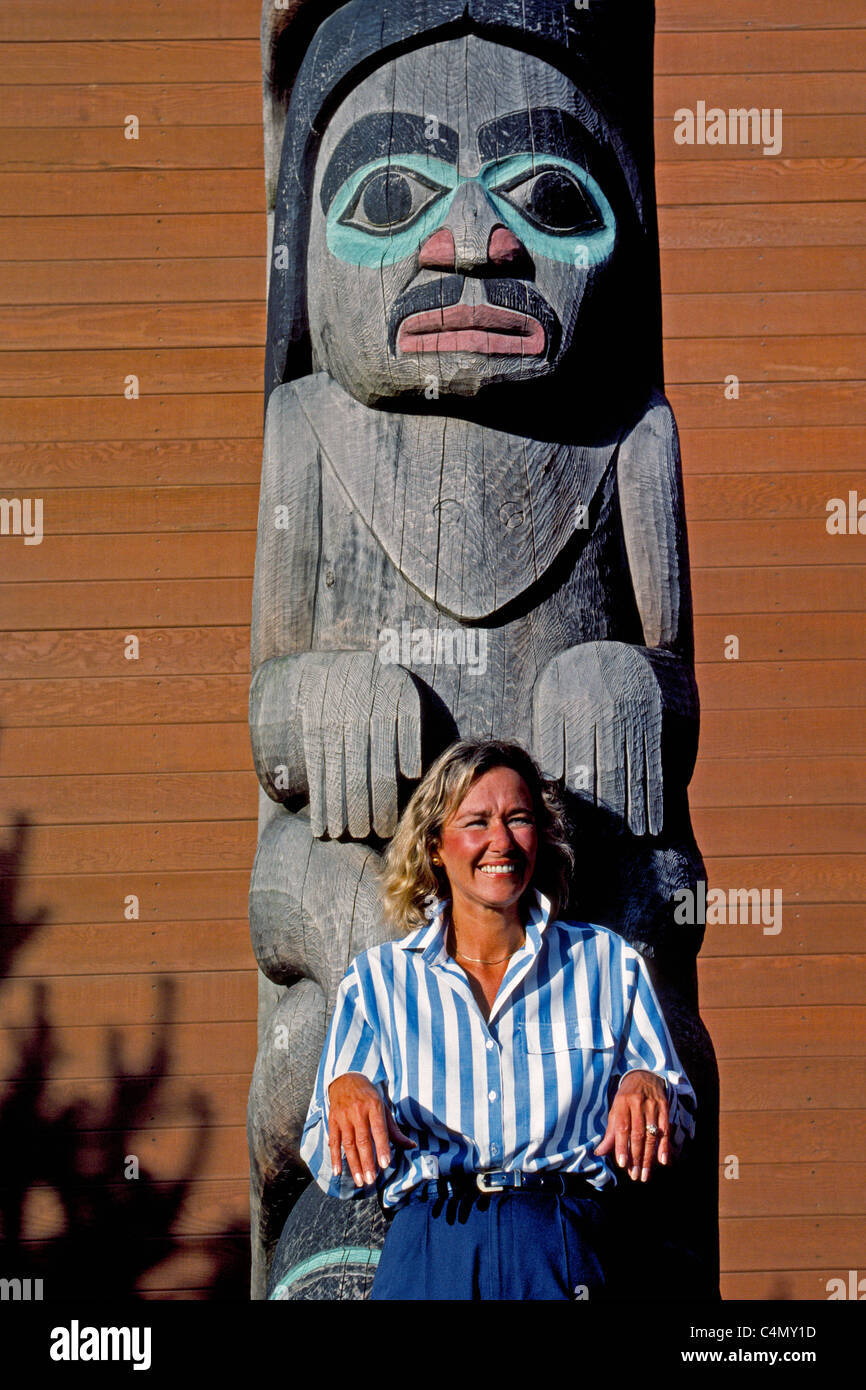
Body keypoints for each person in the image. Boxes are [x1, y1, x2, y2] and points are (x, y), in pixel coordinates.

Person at [300, 739, 697, 1300]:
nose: (501, 841)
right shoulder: (378, 982)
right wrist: (344, 1091)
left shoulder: (606, 963)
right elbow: (328, 1165)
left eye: (518, 819)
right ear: (435, 846)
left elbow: (678, 1126)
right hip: (430, 1247)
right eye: (476, 822)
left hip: (563, 1241)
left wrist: (647, 1084)